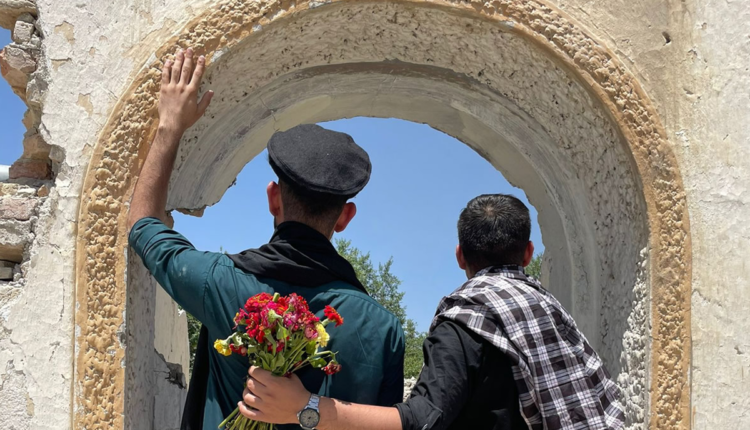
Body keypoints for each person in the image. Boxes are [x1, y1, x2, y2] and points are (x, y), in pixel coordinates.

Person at [127, 47, 405, 430]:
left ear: (274, 198)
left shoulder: (218, 281)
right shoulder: (384, 329)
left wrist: (169, 126)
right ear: (345, 217)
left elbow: (143, 225)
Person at [238, 194, 626, 430]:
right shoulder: (552, 314)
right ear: (528, 254)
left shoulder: (466, 323)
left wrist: (304, 407)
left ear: (460, 256)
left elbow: (422, 419)